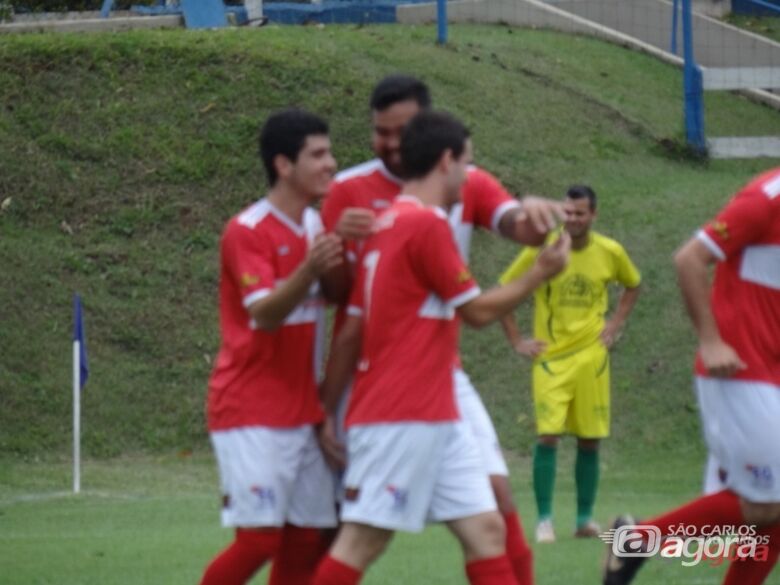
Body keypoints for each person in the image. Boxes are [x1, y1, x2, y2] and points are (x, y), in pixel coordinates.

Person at [319, 74, 566, 585]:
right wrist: (539, 273)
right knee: (359, 540)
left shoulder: (389, 222)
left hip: (433, 398)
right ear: (448, 160)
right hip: (400, 406)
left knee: (486, 530)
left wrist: (538, 219)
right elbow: (474, 312)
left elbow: (511, 219)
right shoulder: (422, 224)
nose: (469, 178)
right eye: (466, 162)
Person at [603, 168, 780, 585]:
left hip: (770, 375)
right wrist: (711, 340)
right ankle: (636, 540)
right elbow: (689, 259)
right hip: (741, 370)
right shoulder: (767, 198)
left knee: (768, 518)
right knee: (765, 507)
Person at [199, 108, 344, 585]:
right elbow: (264, 314)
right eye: (318, 154)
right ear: (284, 165)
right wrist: (309, 268)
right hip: (250, 409)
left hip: (301, 411)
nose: (331, 163)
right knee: (260, 539)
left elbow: (342, 299)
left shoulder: (316, 227)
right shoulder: (247, 230)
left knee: (311, 537)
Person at [498, 185, 641, 544]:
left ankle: (583, 519)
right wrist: (517, 341)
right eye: (568, 213)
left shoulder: (610, 251)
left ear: (593, 215)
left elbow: (633, 285)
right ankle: (544, 520)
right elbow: (505, 289)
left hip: (592, 358)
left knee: (590, 440)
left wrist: (614, 325)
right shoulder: (543, 250)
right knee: (548, 435)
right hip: (550, 358)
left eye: (580, 213)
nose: (574, 219)